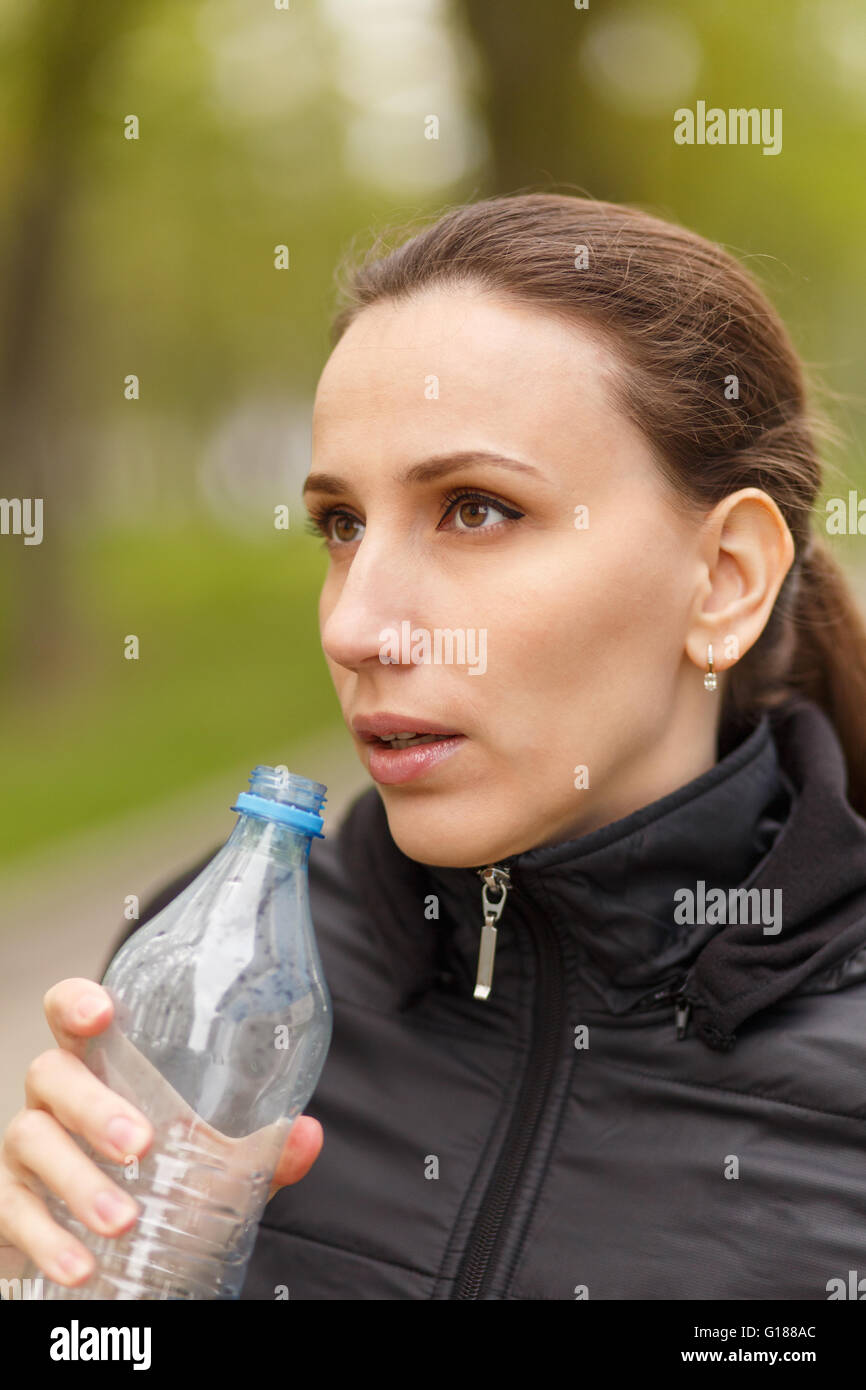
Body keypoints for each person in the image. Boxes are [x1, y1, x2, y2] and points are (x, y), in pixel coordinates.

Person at [4, 192, 866, 1301]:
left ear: (725, 577)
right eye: (340, 525)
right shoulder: (226, 971)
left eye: (474, 509)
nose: (355, 626)